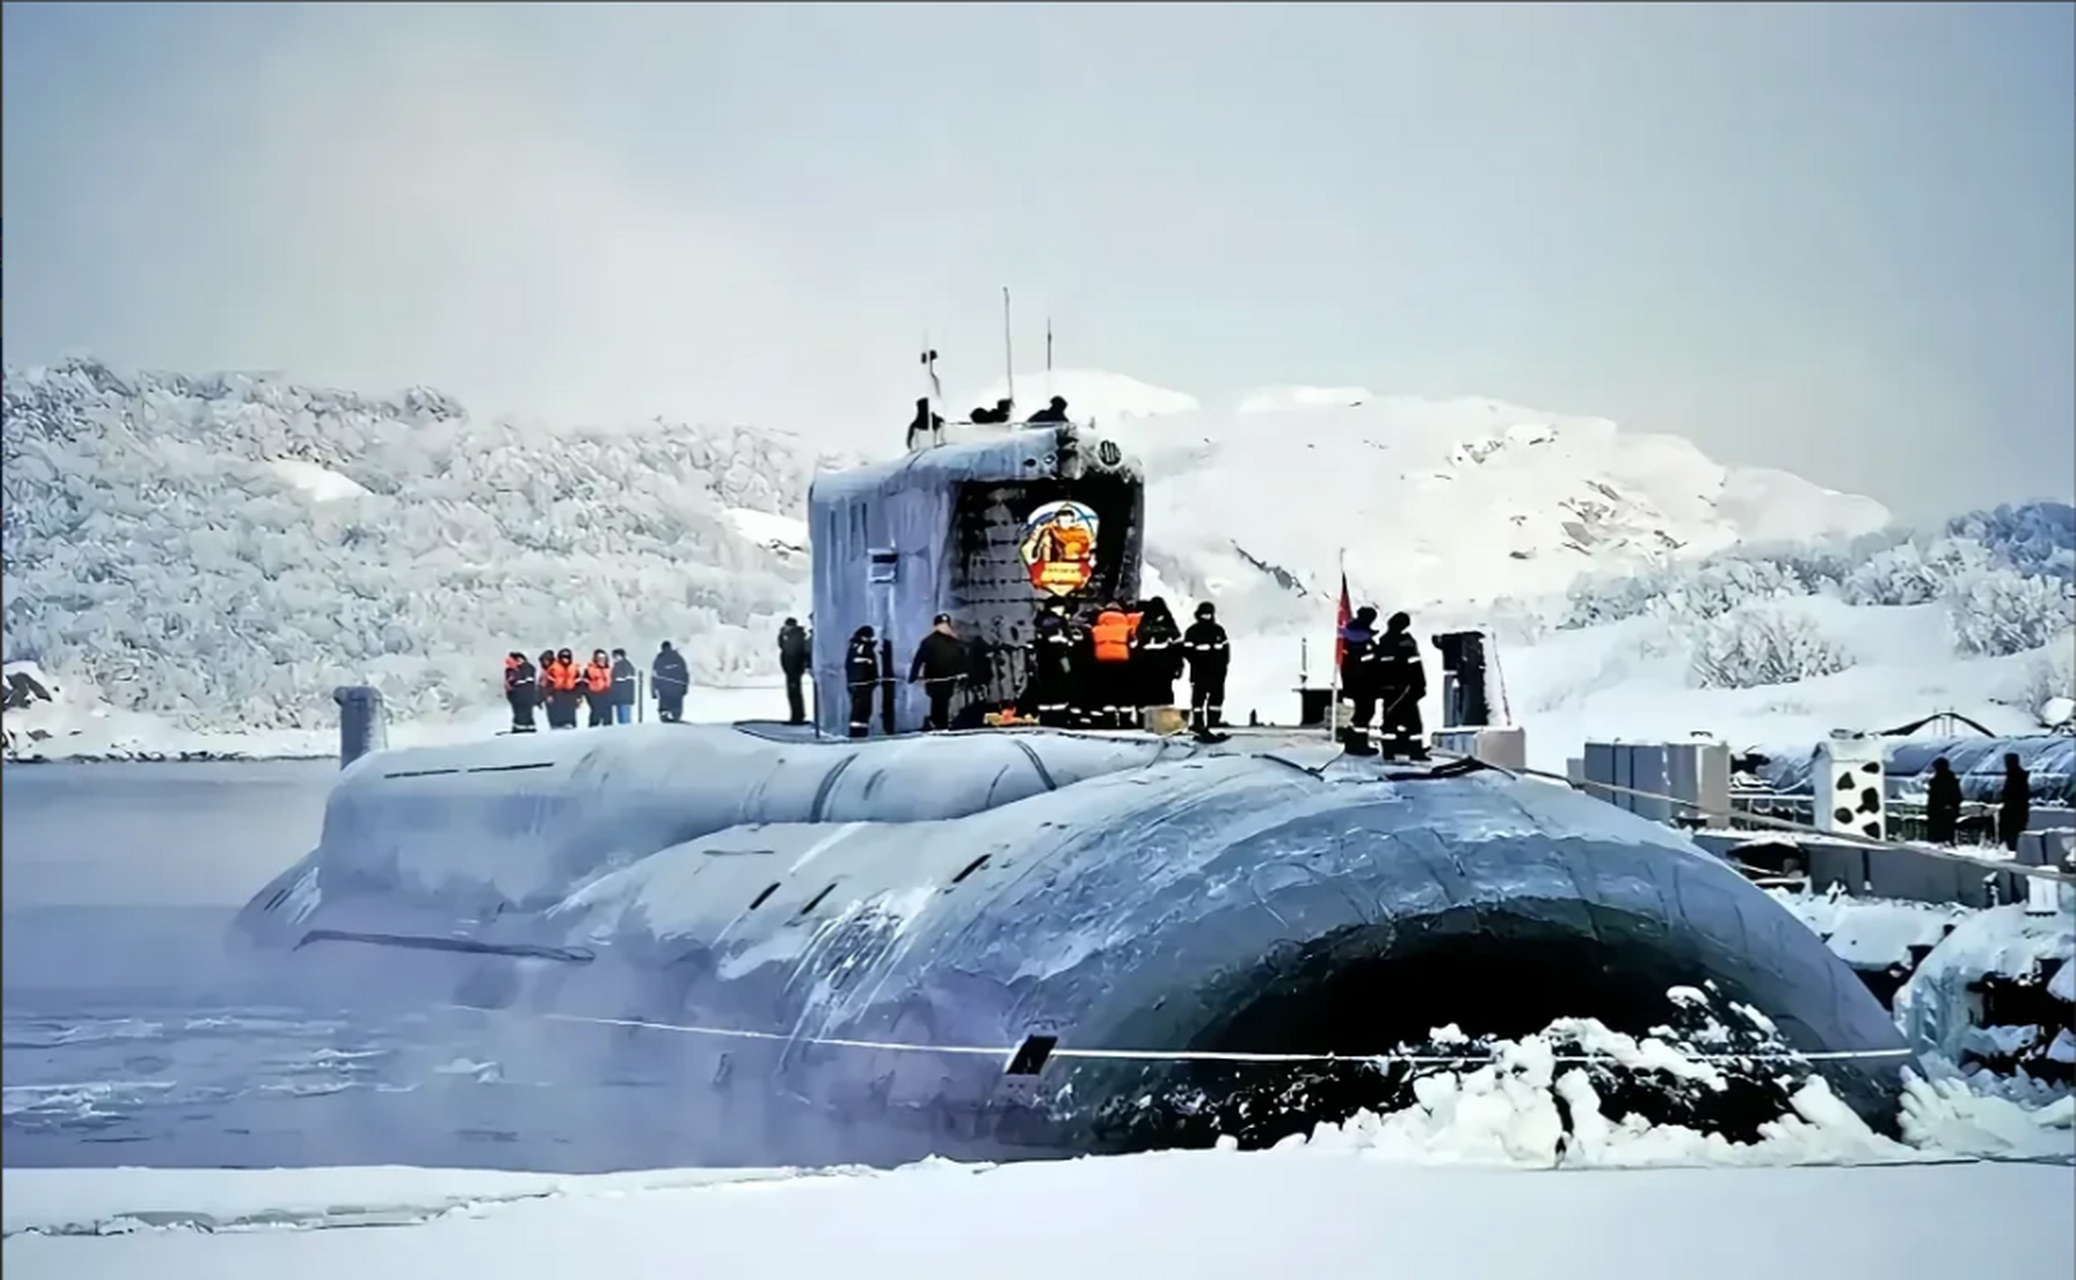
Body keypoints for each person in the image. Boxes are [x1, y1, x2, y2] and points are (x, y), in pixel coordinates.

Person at [1375, 611, 1429, 761]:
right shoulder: (1407, 644)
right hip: (1406, 689)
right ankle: (1415, 751)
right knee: (1413, 723)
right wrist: (1420, 686)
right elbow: (1415, 667)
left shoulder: (1383, 643)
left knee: (1389, 721)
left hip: (1387, 690)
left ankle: (1389, 750)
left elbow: (1376, 669)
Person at [909, 613, 967, 731]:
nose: (944, 627)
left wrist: (964, 673)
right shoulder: (929, 642)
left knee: (944, 699)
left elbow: (962, 659)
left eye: (946, 624)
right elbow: (919, 659)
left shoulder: (954, 642)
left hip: (950, 677)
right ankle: (938, 722)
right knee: (938, 700)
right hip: (934, 677)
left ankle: (941, 722)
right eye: (941, 624)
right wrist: (913, 675)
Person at [1338, 605, 1382, 756]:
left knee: (1362, 712)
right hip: (1364, 683)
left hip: (1356, 682)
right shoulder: (1361, 640)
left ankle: (1353, 740)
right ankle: (1358, 743)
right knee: (1365, 713)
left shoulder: (1352, 636)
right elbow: (1367, 663)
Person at [1182, 601, 1230, 736]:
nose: (1206, 617)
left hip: (1216, 671)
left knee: (1216, 697)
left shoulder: (1218, 630)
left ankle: (1214, 721)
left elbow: (1226, 651)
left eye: (1208, 614)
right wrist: (1199, 661)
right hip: (1200, 670)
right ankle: (1198, 722)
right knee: (1199, 697)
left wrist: (1223, 667)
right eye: (1204, 614)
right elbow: (1187, 652)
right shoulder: (1192, 631)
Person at [1029, 603, 1078, 726]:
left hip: (1043, 665)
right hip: (1057, 664)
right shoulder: (1059, 624)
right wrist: (1067, 668)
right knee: (1059, 690)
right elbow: (1065, 653)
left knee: (1045, 690)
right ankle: (1059, 717)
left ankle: (1046, 717)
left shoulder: (1039, 625)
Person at [1131, 597, 1183, 711]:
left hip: (1148, 666)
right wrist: (1178, 666)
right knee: (1163, 693)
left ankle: (1144, 716)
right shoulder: (1169, 625)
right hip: (1163, 666)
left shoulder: (1144, 625)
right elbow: (1178, 647)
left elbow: (1137, 646)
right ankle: (1162, 716)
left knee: (1146, 693)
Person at [1089, 601, 1135, 728]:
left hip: (1102, 663)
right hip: (1123, 663)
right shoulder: (1127, 629)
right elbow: (1132, 645)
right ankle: (1125, 720)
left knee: (1106, 692)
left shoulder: (1095, 630)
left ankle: (1108, 720)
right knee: (1123, 691)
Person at [844, 625, 881, 738]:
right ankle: (858, 732)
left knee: (860, 709)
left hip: (859, 683)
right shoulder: (862, 647)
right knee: (862, 710)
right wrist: (872, 679)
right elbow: (865, 664)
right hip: (863, 683)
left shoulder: (855, 646)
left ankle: (858, 731)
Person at [777, 617, 812, 725]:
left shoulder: (795, 636)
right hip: (791, 669)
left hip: (793, 669)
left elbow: (791, 652)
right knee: (793, 693)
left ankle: (797, 716)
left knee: (794, 693)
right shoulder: (791, 635)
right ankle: (796, 715)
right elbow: (782, 646)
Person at [1924, 756, 1963, 845]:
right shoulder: (1950, 780)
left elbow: (1955, 796)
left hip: (1942, 812)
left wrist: (1949, 805)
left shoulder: (1943, 781)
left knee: (1942, 832)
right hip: (1941, 811)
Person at [1999, 752, 2031, 852]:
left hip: (2014, 810)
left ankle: (2013, 850)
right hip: (2016, 810)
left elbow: (2016, 794)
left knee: (2012, 833)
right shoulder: (2015, 776)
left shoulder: (2016, 777)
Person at [651, 641, 689, 723]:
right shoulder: (678, 658)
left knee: (664, 701)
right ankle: (676, 715)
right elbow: (685, 673)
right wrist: (685, 686)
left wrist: (653, 690)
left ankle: (664, 714)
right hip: (677, 686)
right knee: (676, 702)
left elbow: (654, 675)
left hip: (664, 687)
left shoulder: (659, 658)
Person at [544, 648, 582, 730]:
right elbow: (549, 682)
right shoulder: (553, 668)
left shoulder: (574, 669)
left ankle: (570, 722)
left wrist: (579, 695)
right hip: (557, 691)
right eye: (563, 657)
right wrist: (549, 694)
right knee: (558, 708)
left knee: (570, 708)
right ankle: (557, 724)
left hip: (571, 691)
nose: (565, 659)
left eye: (567, 657)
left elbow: (578, 683)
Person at [503, 651, 538, 733]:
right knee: (518, 712)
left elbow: (527, 682)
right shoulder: (509, 670)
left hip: (525, 696)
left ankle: (527, 726)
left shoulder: (527, 668)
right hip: (515, 696)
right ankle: (519, 726)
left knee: (525, 712)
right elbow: (508, 682)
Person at [583, 649, 614, 727]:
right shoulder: (589, 669)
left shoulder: (609, 669)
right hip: (594, 693)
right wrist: (587, 694)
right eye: (599, 658)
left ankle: (608, 728)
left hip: (606, 693)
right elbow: (585, 682)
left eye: (603, 658)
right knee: (596, 711)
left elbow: (612, 681)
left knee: (607, 712)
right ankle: (593, 727)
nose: (601, 660)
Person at [610, 648, 639, 724]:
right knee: (621, 718)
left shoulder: (625, 665)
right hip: (620, 696)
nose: (614, 658)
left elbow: (622, 678)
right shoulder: (618, 665)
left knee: (624, 719)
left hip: (624, 696)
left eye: (615, 656)